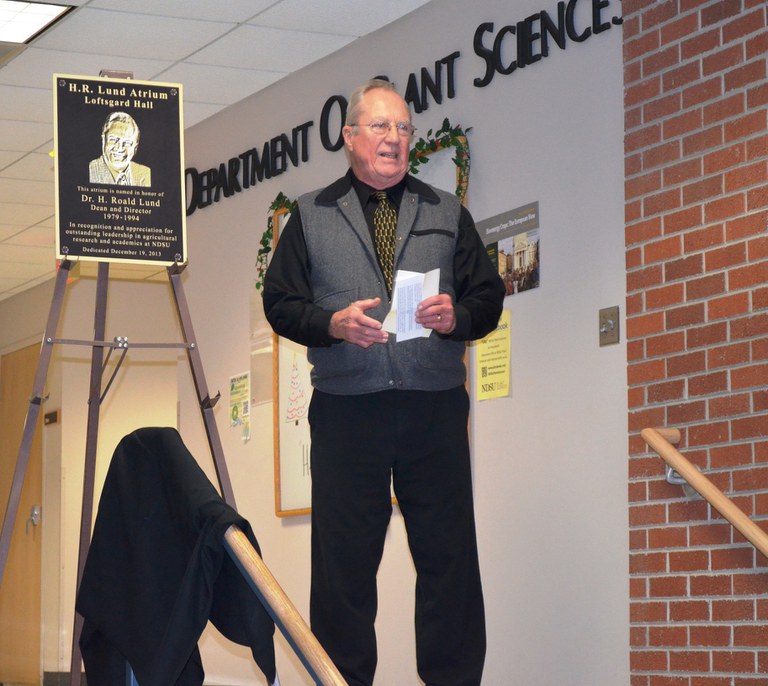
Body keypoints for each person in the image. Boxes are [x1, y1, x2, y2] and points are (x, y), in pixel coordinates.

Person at [263, 79, 505, 686]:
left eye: (402, 128)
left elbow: (488, 295)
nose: (394, 139)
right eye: (380, 127)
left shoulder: (447, 212)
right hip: (348, 414)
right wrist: (331, 324)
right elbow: (279, 303)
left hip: (434, 409)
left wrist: (460, 316)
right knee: (342, 568)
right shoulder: (311, 216)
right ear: (350, 138)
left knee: (449, 560)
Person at [89, 111, 151, 186]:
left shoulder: (146, 174)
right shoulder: (90, 170)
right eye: (113, 139)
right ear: (103, 140)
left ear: (135, 147)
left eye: (127, 142)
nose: (120, 148)